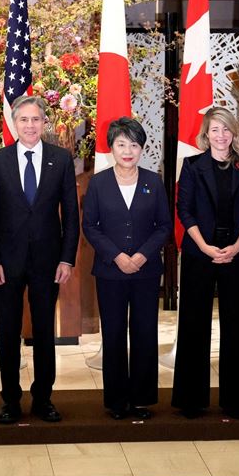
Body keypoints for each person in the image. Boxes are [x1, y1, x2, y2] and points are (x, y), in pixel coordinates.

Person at [0, 96, 80, 424]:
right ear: (14, 123)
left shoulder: (60, 159)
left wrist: (67, 260)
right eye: (23, 119)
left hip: (48, 262)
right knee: (7, 332)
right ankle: (10, 400)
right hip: (6, 264)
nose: (30, 125)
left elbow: (71, 216)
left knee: (44, 332)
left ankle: (43, 398)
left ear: (44, 122)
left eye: (36, 119)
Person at [172, 107, 239, 419]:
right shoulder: (192, 166)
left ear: (233, 132)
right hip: (200, 254)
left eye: (225, 129)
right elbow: (184, 210)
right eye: (215, 130)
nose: (220, 135)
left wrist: (237, 246)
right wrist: (205, 247)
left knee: (236, 326)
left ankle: (236, 402)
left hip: (237, 255)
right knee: (194, 325)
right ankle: (191, 401)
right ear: (206, 134)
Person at [82, 117, 172, 420]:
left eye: (134, 145)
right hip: (110, 272)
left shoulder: (153, 182)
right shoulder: (98, 183)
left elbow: (164, 226)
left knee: (145, 333)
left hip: (146, 272)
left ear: (142, 148)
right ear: (112, 148)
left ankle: (142, 399)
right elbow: (90, 226)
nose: (128, 151)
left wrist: (143, 255)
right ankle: (117, 400)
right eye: (121, 144)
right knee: (114, 333)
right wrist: (117, 256)